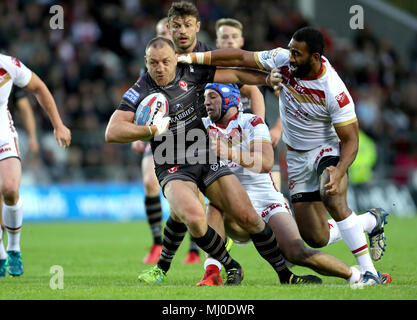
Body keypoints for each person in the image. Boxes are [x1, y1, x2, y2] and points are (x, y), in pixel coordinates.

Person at [105, 36, 329, 286]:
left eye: (165, 62)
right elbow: (112, 132)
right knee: (193, 216)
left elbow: (233, 74)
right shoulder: (140, 89)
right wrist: (149, 129)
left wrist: (266, 79)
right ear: (145, 62)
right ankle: (231, 265)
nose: (160, 68)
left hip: (205, 156)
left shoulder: (189, 72)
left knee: (249, 218)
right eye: (154, 63)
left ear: (174, 59)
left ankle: (285, 276)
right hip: (172, 164)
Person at [177, 27, 391, 288]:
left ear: (315, 57)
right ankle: (369, 220)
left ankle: (369, 273)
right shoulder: (282, 60)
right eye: (290, 51)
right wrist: (192, 58)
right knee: (315, 237)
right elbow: (240, 59)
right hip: (297, 157)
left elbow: (351, 140)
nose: (290, 58)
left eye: (297, 54)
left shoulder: (334, 91)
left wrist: (339, 168)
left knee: (331, 194)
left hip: (326, 149)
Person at [197, 82, 374, 286]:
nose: (206, 102)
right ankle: (212, 272)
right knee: (215, 205)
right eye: (205, 97)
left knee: (298, 252)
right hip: (235, 208)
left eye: (212, 97)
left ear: (228, 98)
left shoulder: (252, 122)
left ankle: (356, 276)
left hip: (267, 203)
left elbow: (264, 163)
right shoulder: (202, 126)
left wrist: (229, 152)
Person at [0, 53, 71, 277]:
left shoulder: (7, 64)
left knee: (10, 189)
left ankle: (13, 248)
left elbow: (39, 87)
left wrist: (58, 124)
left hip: (2, 134)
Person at [215, 17, 286, 200]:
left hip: (259, 142)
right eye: (225, 37)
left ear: (241, 41)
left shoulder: (258, 68)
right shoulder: (211, 72)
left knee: (273, 198)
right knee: (233, 206)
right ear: (217, 42)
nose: (229, 41)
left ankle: (287, 226)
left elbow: (286, 99)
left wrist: (278, 128)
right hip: (227, 145)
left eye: (234, 36)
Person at [131, 17, 174, 265]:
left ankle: (194, 249)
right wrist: (137, 133)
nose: (165, 35)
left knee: (193, 193)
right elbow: (139, 102)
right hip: (156, 134)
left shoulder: (190, 64)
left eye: (168, 31)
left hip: (186, 134)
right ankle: (157, 242)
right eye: (160, 32)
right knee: (150, 183)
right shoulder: (147, 71)